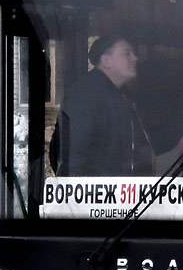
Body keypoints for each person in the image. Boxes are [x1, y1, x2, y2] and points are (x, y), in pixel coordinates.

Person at [51, 34, 155, 176]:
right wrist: (79, 193)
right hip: (97, 195)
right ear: (106, 61)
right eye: (126, 54)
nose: (135, 58)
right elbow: (72, 157)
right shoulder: (86, 95)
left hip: (123, 193)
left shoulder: (123, 96)